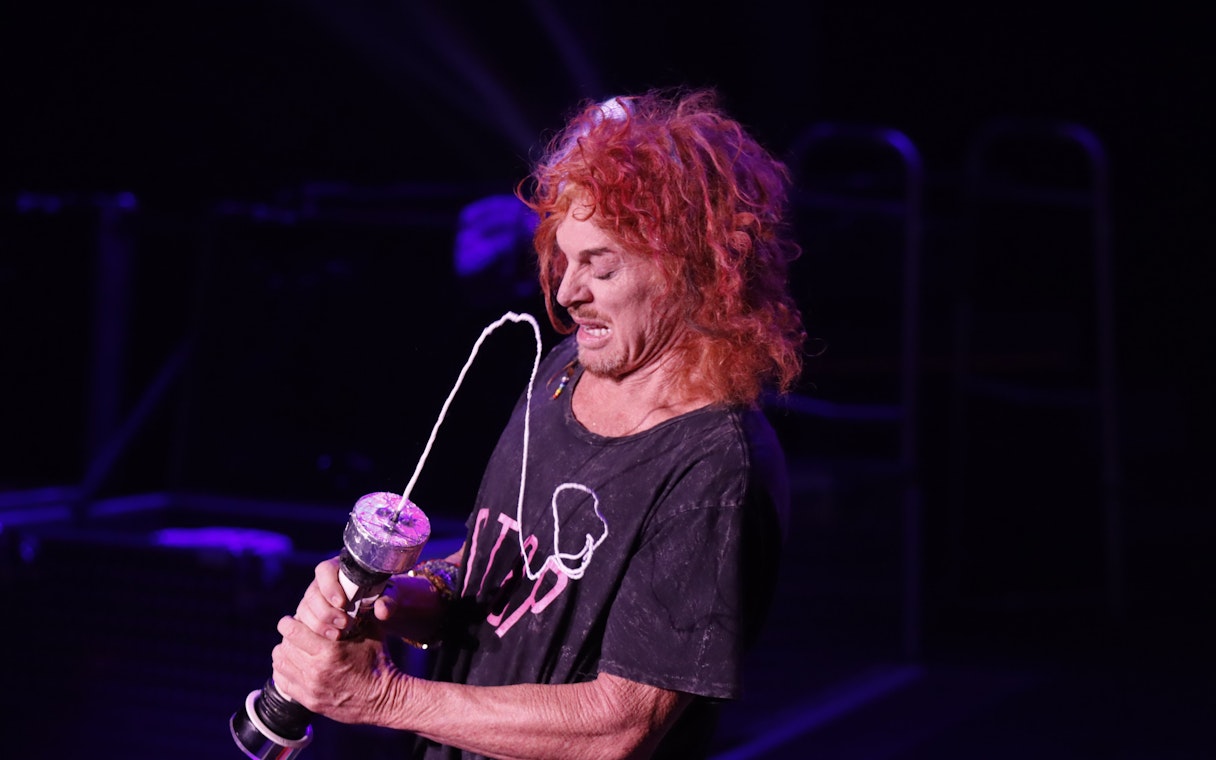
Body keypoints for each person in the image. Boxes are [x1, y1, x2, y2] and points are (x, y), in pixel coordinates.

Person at [270, 88, 805, 759]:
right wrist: (406, 599)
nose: (566, 292)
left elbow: (622, 723)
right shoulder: (565, 371)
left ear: (691, 272)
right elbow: (509, 560)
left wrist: (384, 698)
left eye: (600, 266)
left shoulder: (716, 466)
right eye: (565, 258)